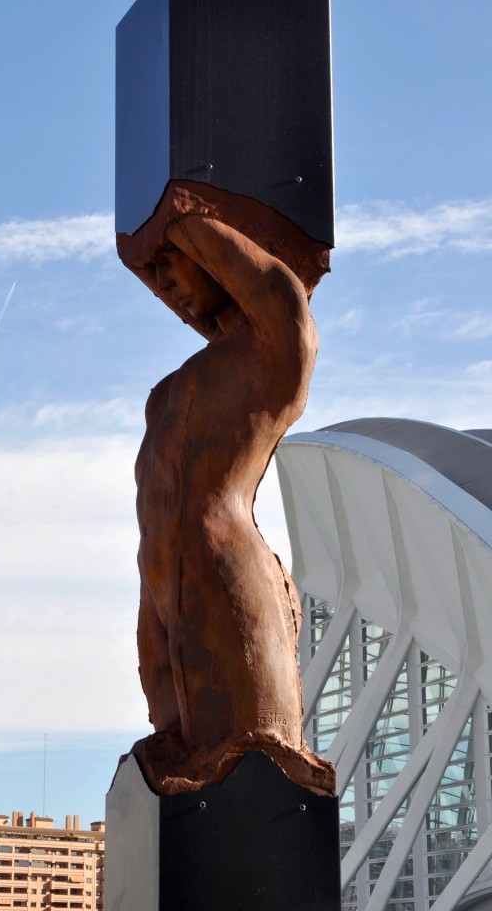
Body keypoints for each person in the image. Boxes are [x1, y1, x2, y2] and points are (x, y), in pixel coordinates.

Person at [129, 210, 334, 795]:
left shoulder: (273, 347)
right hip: (161, 588)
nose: (162, 282)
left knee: (252, 764)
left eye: (170, 263)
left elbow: (274, 290)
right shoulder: (165, 393)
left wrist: (177, 211)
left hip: (229, 580)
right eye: (155, 271)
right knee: (172, 761)